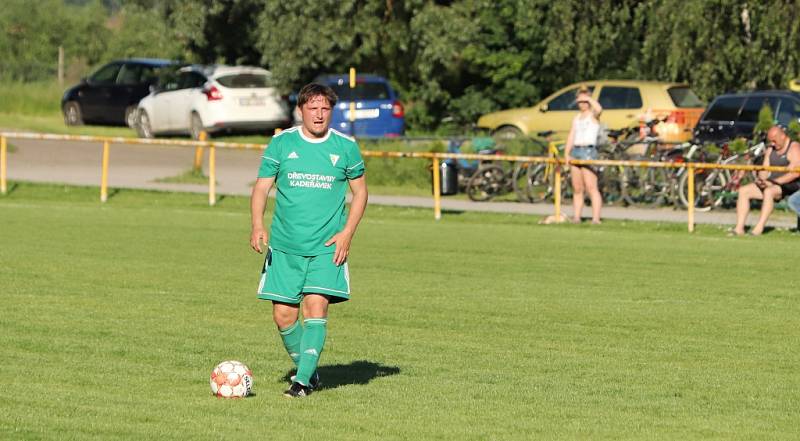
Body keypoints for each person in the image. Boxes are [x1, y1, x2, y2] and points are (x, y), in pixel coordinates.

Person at [249, 83, 368, 397]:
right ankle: (309, 371)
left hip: (326, 247)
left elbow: (361, 193)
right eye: (313, 108)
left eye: (325, 109)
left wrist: (347, 233)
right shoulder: (281, 143)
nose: (319, 114)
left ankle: (301, 382)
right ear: (301, 110)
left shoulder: (345, 146)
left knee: (316, 308)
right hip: (285, 247)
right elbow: (261, 187)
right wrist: (257, 224)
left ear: (331, 111)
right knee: (283, 315)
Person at [733, 124, 800, 235]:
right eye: (771, 141)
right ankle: (739, 228)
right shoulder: (770, 149)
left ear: (783, 136)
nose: (772, 144)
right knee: (743, 191)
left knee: (769, 192)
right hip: (772, 183)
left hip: (790, 185)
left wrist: (774, 182)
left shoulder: (794, 148)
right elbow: (765, 169)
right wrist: (761, 180)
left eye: (774, 141)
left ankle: (758, 228)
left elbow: (794, 174)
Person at [564, 87, 604, 224]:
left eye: (585, 101)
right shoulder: (576, 118)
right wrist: (567, 153)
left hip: (588, 151)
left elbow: (599, 109)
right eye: (580, 101)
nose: (582, 104)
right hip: (576, 150)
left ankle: (596, 218)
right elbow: (571, 135)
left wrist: (589, 99)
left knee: (591, 186)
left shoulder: (593, 115)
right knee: (577, 187)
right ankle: (576, 217)